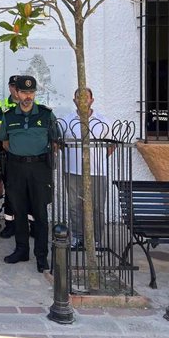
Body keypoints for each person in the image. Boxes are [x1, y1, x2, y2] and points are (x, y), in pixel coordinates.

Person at [0, 75, 58, 273]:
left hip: (39, 169)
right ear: (16, 92)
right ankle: (21, 250)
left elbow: (55, 143)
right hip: (16, 168)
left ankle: (41, 256)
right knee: (19, 211)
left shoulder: (46, 115)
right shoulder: (9, 116)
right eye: (24, 92)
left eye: (31, 92)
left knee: (40, 213)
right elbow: (5, 142)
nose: (27, 96)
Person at [60, 87, 114, 249]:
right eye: (79, 97)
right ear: (74, 100)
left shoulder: (103, 121)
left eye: (86, 97)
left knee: (97, 207)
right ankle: (77, 237)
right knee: (74, 206)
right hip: (72, 171)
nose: (82, 101)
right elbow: (61, 145)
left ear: (92, 100)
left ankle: (96, 240)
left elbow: (111, 146)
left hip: (97, 172)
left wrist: (98, 159)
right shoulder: (66, 121)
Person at [0, 75, 20, 239]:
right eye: (13, 86)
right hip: (9, 156)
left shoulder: (35, 106)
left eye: (18, 87)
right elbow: (1, 132)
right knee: (11, 192)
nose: (16, 90)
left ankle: (30, 225)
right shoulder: (2, 105)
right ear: (10, 87)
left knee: (30, 194)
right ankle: (10, 225)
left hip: (29, 158)